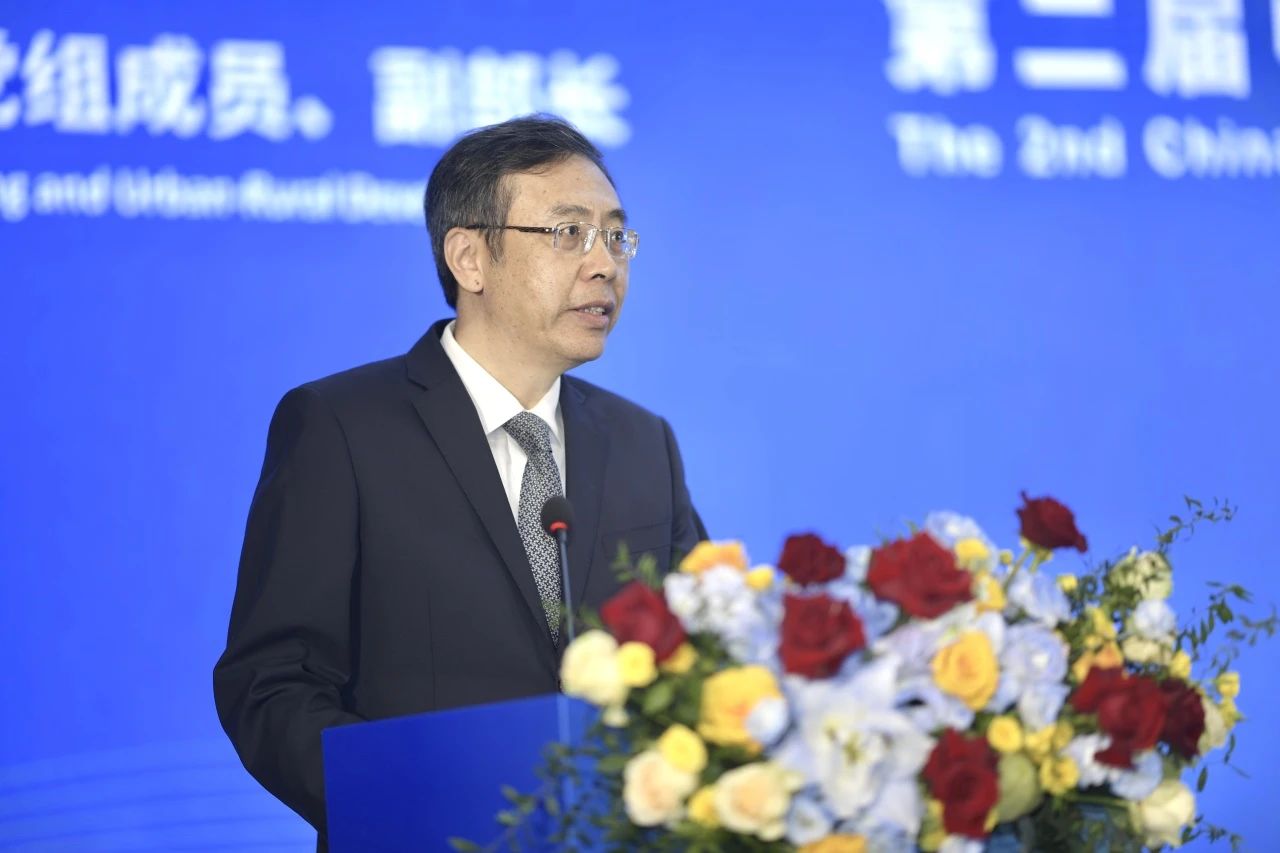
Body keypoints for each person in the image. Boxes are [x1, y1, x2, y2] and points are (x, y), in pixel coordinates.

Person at [212, 115, 706, 845]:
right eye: (568, 233)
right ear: (470, 258)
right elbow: (271, 683)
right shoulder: (342, 426)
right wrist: (407, 808)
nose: (604, 264)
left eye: (615, 236)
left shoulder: (642, 442)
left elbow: (703, 656)